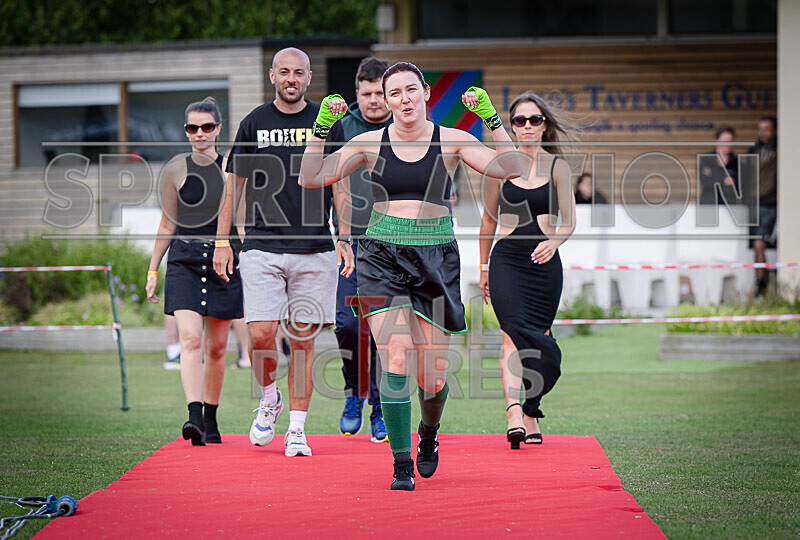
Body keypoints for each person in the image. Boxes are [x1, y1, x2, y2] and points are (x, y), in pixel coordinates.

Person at [300, 62, 521, 490]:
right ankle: (401, 464)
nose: (403, 99)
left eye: (410, 90)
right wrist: (320, 129)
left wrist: (492, 119)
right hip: (381, 253)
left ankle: (428, 434)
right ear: (385, 100)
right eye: (393, 93)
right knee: (396, 357)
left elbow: (509, 167)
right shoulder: (367, 141)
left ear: (425, 92)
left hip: (436, 255)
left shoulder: (453, 140)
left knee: (432, 377)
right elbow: (312, 177)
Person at [213, 47, 355, 458]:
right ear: (272, 75)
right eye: (284, 72)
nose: (291, 79)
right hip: (260, 246)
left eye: (299, 73)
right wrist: (224, 241)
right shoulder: (254, 122)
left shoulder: (326, 123)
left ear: (309, 78)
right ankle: (269, 396)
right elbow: (232, 187)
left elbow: (340, 186)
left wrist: (343, 236)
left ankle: (296, 429)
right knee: (261, 335)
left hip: (314, 248)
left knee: (305, 341)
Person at [479, 91, 575, 449]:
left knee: (541, 339)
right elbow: (488, 220)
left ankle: (533, 408)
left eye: (535, 119)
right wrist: (483, 266)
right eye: (519, 120)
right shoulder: (498, 166)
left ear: (544, 124)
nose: (527, 126)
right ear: (512, 126)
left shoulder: (558, 167)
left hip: (544, 264)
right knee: (510, 334)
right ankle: (514, 412)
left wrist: (554, 242)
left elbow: (568, 223)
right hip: (506, 260)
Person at [146, 97, 243, 445]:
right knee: (190, 339)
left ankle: (212, 418)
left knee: (217, 348)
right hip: (184, 260)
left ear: (218, 128)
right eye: (192, 128)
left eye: (206, 127)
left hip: (224, 261)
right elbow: (166, 223)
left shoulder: (233, 166)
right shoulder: (175, 168)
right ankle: (195, 417)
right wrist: (153, 269)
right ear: (186, 130)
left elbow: (243, 221)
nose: (199, 133)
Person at [325, 57, 392, 442]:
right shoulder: (343, 129)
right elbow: (332, 182)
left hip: (394, 246)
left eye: (380, 93)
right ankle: (354, 393)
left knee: (386, 330)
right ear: (357, 94)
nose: (374, 101)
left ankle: (380, 407)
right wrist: (342, 238)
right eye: (366, 94)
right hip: (351, 245)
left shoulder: (405, 128)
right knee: (349, 324)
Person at [747, 117, 777, 296]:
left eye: (767, 129)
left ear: (775, 131)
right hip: (757, 205)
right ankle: (760, 283)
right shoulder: (754, 151)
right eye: (761, 129)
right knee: (758, 245)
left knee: (761, 244)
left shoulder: (782, 149)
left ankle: (764, 284)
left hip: (775, 205)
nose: (763, 132)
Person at [698, 127, 738, 205]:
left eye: (731, 141)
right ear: (717, 141)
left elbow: (739, 186)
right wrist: (726, 181)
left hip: (729, 206)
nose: (728, 144)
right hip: (709, 205)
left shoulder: (736, 162)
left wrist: (716, 179)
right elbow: (707, 182)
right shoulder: (706, 160)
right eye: (726, 141)